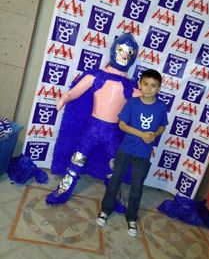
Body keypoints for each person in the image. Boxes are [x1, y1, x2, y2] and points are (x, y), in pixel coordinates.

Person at [46, 33, 140, 207]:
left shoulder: (130, 86)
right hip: (93, 128)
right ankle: (63, 189)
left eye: (129, 52)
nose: (124, 55)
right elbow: (75, 91)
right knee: (77, 160)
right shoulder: (97, 76)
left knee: (114, 167)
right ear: (114, 50)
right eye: (121, 50)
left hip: (112, 132)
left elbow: (145, 105)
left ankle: (114, 197)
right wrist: (65, 97)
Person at [96, 69, 168, 237]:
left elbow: (162, 125)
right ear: (139, 85)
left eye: (153, 86)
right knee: (115, 182)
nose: (149, 88)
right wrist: (141, 134)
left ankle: (132, 217)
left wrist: (155, 134)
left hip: (143, 154)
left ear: (159, 88)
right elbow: (122, 125)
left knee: (137, 187)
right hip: (125, 150)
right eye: (146, 84)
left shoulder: (161, 107)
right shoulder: (132, 103)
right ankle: (105, 209)